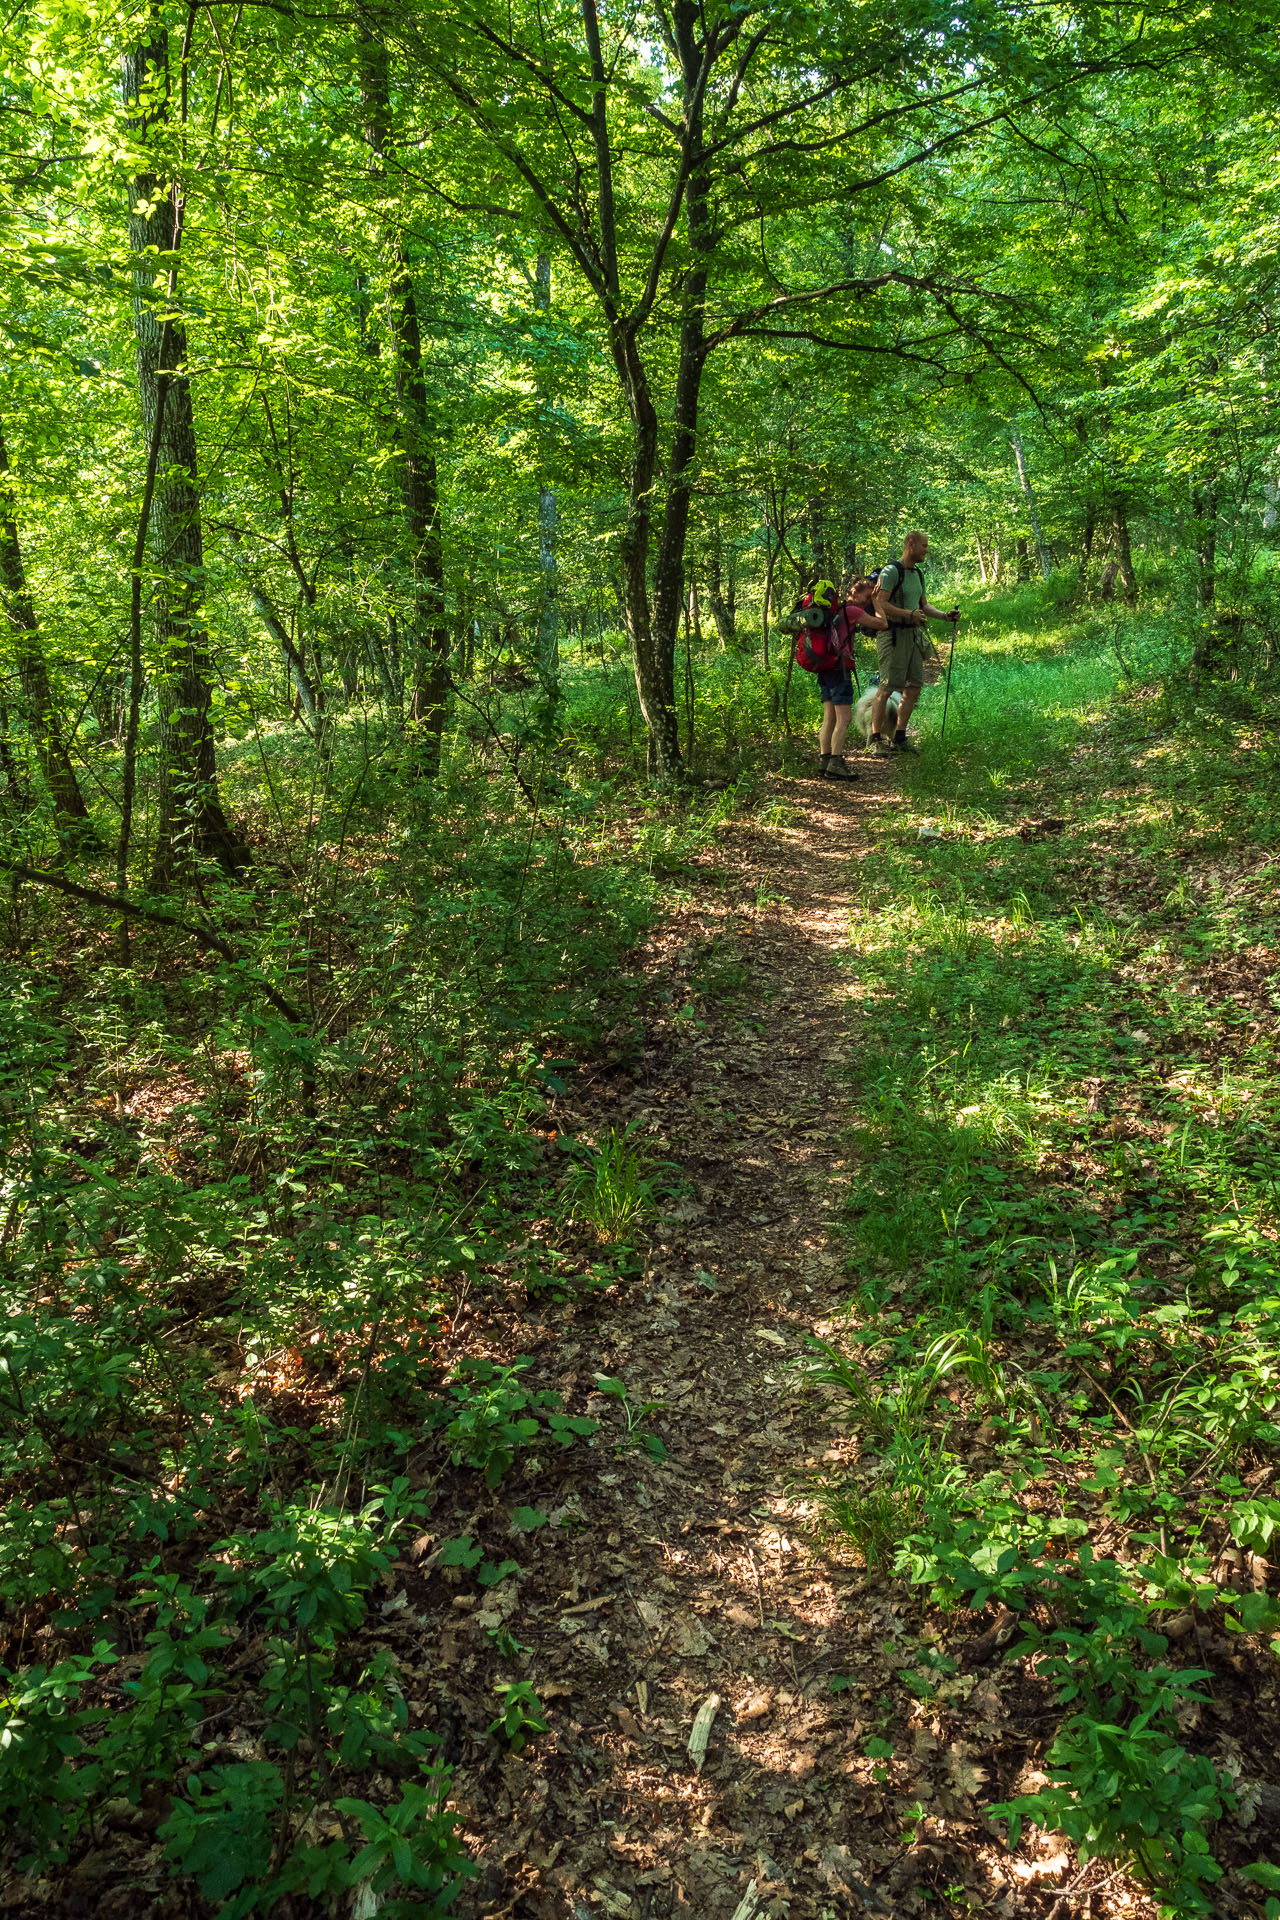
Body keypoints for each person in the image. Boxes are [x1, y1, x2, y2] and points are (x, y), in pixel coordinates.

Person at [869, 531, 959, 754]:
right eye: (924, 546)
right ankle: (875, 739)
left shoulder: (917, 574)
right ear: (910, 544)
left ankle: (900, 737)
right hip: (893, 636)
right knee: (887, 686)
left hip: (913, 637)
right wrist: (909, 614)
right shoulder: (891, 571)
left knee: (914, 687)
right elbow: (881, 604)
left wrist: (945, 616)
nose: (926, 550)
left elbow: (924, 606)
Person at [815, 577, 886, 781]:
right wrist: (879, 602)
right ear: (854, 593)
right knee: (843, 718)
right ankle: (835, 763)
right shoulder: (852, 611)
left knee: (829, 717)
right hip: (840, 669)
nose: (869, 600)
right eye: (868, 596)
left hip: (826, 667)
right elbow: (882, 623)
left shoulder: (834, 610)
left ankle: (824, 759)